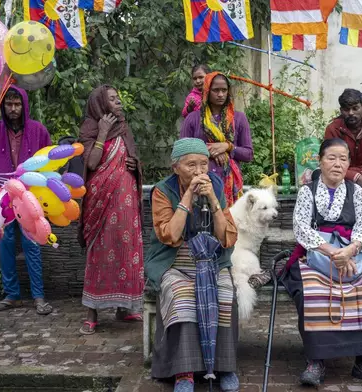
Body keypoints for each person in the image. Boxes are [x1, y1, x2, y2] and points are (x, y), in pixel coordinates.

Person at [280, 138, 362, 386]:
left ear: (348, 164)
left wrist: (350, 251)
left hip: (352, 252)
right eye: (331, 158)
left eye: (343, 159)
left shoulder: (355, 192)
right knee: (311, 292)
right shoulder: (307, 191)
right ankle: (316, 361)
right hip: (318, 252)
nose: (337, 164)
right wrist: (333, 252)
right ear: (320, 162)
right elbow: (301, 228)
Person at [145, 138, 240, 392]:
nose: (199, 172)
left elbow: (227, 237)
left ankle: (224, 367)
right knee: (182, 295)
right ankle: (183, 372)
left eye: (203, 164)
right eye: (191, 165)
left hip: (211, 260)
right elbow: (170, 235)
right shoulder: (163, 191)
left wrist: (213, 199)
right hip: (174, 260)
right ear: (176, 167)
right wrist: (187, 196)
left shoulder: (215, 185)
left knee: (225, 292)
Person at [0, 86, 54, 316]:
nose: (13, 109)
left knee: (32, 243)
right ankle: (11, 295)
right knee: (5, 245)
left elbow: (49, 161)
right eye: (9, 104)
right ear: (2, 107)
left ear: (24, 105)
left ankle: (38, 296)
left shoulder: (38, 130)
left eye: (17, 104)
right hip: (1, 197)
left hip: (29, 196)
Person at [78, 85, 144, 334]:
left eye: (118, 98)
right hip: (100, 200)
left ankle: (124, 308)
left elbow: (135, 158)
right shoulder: (90, 128)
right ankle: (91, 313)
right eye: (113, 99)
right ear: (100, 104)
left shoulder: (124, 127)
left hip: (125, 197)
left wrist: (134, 163)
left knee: (127, 249)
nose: (119, 103)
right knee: (100, 252)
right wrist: (103, 134)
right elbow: (92, 163)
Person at [180, 71, 253, 207]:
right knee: (201, 224)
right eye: (216, 90)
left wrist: (227, 147)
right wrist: (208, 151)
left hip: (230, 185)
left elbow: (248, 154)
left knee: (228, 225)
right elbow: (181, 152)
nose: (220, 94)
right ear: (207, 91)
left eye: (224, 90)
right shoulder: (193, 119)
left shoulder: (239, 119)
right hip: (199, 183)